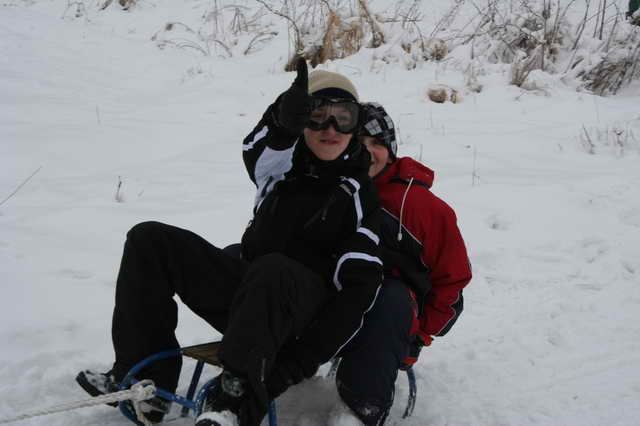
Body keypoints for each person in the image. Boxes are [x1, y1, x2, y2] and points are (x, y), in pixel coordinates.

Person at [75, 59, 383, 426]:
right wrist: (281, 121)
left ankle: (233, 403)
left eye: (343, 117)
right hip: (251, 302)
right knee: (149, 240)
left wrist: (294, 364)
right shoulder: (281, 168)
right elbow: (260, 148)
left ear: (354, 126)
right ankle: (148, 382)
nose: (330, 129)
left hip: (302, 322)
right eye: (317, 115)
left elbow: (357, 294)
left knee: (274, 269)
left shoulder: (360, 195)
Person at [327, 102, 472, 425]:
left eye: (377, 143)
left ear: (391, 151)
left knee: (388, 295)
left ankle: (360, 409)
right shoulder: (328, 188)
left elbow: (452, 280)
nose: (368, 151)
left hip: (391, 317)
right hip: (331, 306)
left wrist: (419, 338)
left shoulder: (422, 208)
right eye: (358, 142)